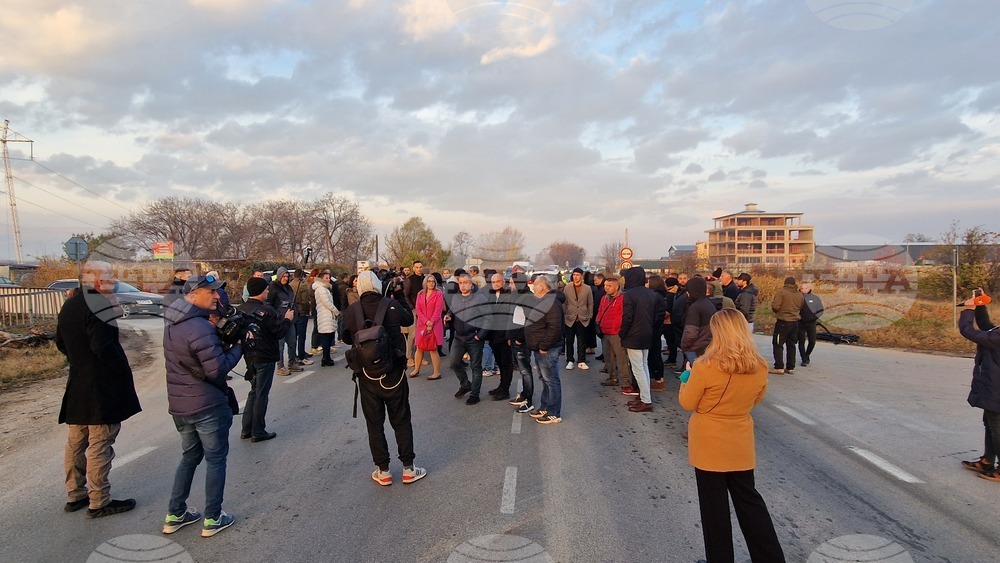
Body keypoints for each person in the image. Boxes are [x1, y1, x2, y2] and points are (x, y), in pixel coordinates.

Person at [679, 308, 785, 563]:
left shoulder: (706, 365)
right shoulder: (759, 366)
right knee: (750, 502)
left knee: (714, 509)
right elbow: (755, 399)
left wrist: (686, 376)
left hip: (709, 441)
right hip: (740, 439)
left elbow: (687, 402)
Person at [56, 261, 141, 518]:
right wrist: (119, 370)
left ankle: (75, 494)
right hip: (100, 387)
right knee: (100, 443)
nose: (113, 281)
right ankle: (99, 500)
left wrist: (80, 360)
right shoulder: (99, 305)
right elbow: (103, 347)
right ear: (95, 281)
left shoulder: (70, 304)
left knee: (77, 442)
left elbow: (61, 342)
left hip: (78, 383)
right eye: (108, 277)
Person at [162, 275, 243, 537]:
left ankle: (175, 514)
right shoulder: (199, 326)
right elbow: (216, 370)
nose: (217, 297)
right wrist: (238, 348)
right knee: (215, 460)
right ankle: (213, 518)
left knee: (189, 457)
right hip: (206, 403)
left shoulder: (173, 322)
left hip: (181, 405)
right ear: (195, 294)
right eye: (212, 292)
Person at [342, 271, 426, 486]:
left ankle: (383, 470)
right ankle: (408, 469)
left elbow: (344, 337)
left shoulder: (352, 310)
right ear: (379, 285)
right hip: (394, 374)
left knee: (374, 424)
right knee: (401, 420)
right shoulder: (391, 304)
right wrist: (397, 295)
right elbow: (408, 319)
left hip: (367, 376)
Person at [238, 277, 293, 441]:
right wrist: (288, 319)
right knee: (261, 394)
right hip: (265, 356)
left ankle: (246, 429)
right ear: (261, 291)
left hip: (249, 356)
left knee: (254, 391)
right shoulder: (265, 312)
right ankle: (258, 431)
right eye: (266, 289)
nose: (268, 291)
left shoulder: (241, 309)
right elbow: (279, 332)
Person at [958, 289, 1000, 481]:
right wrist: (980, 305)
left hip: (997, 391)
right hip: (993, 389)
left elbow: (970, 332)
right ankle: (987, 460)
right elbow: (986, 328)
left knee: (997, 427)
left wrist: (968, 310)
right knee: (990, 424)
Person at [620, 266, 664, 412]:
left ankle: (646, 400)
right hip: (647, 333)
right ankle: (644, 395)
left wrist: (622, 333)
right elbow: (655, 316)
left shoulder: (629, 294)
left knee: (638, 368)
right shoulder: (651, 294)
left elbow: (627, 317)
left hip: (634, 335)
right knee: (644, 366)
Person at [524, 275, 564, 424]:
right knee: (545, 379)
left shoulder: (551, 302)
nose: (533, 287)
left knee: (551, 380)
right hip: (541, 347)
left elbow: (554, 328)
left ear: (542, 287)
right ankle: (545, 406)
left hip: (548, 349)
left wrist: (544, 346)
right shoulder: (543, 301)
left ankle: (553, 413)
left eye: (535, 284)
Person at [446, 273, 489, 405]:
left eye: (466, 283)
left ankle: (474, 394)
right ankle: (465, 384)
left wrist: (480, 335)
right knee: (453, 362)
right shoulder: (456, 297)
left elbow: (488, 318)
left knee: (476, 366)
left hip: (474, 337)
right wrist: (448, 316)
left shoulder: (480, 298)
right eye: (461, 283)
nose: (463, 285)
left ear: (471, 283)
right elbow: (452, 310)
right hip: (459, 337)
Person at [507, 272, 537, 414]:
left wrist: (519, 338)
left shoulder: (527, 298)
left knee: (525, 371)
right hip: (514, 339)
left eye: (512, 282)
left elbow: (529, 321)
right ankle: (524, 395)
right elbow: (513, 318)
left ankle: (528, 400)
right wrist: (509, 336)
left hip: (522, 341)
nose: (510, 285)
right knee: (522, 370)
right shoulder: (517, 296)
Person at [596, 274, 630, 388]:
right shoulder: (604, 298)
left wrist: (622, 330)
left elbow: (625, 315)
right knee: (608, 357)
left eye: (609, 286)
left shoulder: (623, 298)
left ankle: (626, 381)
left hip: (617, 333)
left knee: (622, 359)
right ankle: (613, 377)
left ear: (616, 287)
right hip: (605, 332)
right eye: (605, 285)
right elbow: (600, 312)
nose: (606, 288)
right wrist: (597, 323)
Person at [485, 273, 515, 401]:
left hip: (505, 335)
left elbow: (512, 316)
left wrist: (510, 335)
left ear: (503, 282)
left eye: (498, 281)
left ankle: (505, 390)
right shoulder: (490, 295)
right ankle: (501, 386)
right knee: (499, 362)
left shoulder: (509, 295)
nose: (496, 283)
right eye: (493, 282)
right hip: (493, 335)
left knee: (506, 363)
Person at [267, 267, 301, 376]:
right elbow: (269, 303)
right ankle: (280, 366)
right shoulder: (273, 287)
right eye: (283, 276)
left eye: (287, 276)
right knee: (280, 345)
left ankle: (292, 362)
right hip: (279, 320)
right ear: (279, 276)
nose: (285, 278)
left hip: (290, 320)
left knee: (292, 342)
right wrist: (276, 314)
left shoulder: (289, 288)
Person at [410, 274, 444, 379]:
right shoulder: (420, 294)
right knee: (419, 347)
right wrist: (426, 322)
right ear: (425, 282)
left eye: (433, 281)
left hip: (435, 324)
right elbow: (418, 309)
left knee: (433, 348)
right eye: (429, 281)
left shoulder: (438, 294)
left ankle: (436, 372)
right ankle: (416, 369)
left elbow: (438, 310)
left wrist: (431, 323)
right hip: (422, 325)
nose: (431, 283)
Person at [769, 276, 804, 375]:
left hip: (783, 322)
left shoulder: (782, 292)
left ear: (785, 283)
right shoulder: (799, 294)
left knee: (778, 344)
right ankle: (790, 367)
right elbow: (801, 306)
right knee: (791, 344)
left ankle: (779, 367)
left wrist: (778, 311)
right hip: (795, 322)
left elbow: (775, 306)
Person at [562, 267, 594, 371]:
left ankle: (581, 360)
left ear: (581, 276)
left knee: (582, 341)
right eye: (574, 275)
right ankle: (570, 360)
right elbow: (564, 302)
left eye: (578, 275)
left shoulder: (587, 288)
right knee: (569, 340)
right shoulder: (567, 287)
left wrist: (589, 315)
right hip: (570, 317)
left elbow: (590, 303)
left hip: (582, 317)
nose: (576, 277)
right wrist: (565, 313)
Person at [313, 271, 340, 367]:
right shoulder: (321, 289)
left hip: (327, 315)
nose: (328, 280)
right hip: (325, 315)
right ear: (321, 279)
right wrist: (336, 311)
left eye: (329, 278)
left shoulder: (325, 288)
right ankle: (325, 358)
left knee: (328, 337)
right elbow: (327, 302)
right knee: (326, 338)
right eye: (326, 278)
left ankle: (327, 357)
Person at [289, 269, 315, 367]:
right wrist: (307, 310)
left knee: (293, 336)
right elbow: (305, 301)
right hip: (301, 313)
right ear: (302, 276)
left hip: (293, 312)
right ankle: (301, 357)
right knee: (302, 336)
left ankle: (294, 356)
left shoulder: (290, 285)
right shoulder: (303, 285)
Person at [797, 282, 824, 367]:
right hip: (800, 322)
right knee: (801, 341)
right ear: (800, 289)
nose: (804, 290)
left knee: (812, 341)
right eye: (802, 288)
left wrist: (814, 317)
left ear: (809, 289)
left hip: (811, 322)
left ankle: (807, 354)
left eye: (806, 288)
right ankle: (804, 359)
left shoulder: (815, 298)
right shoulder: (797, 297)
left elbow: (820, 310)